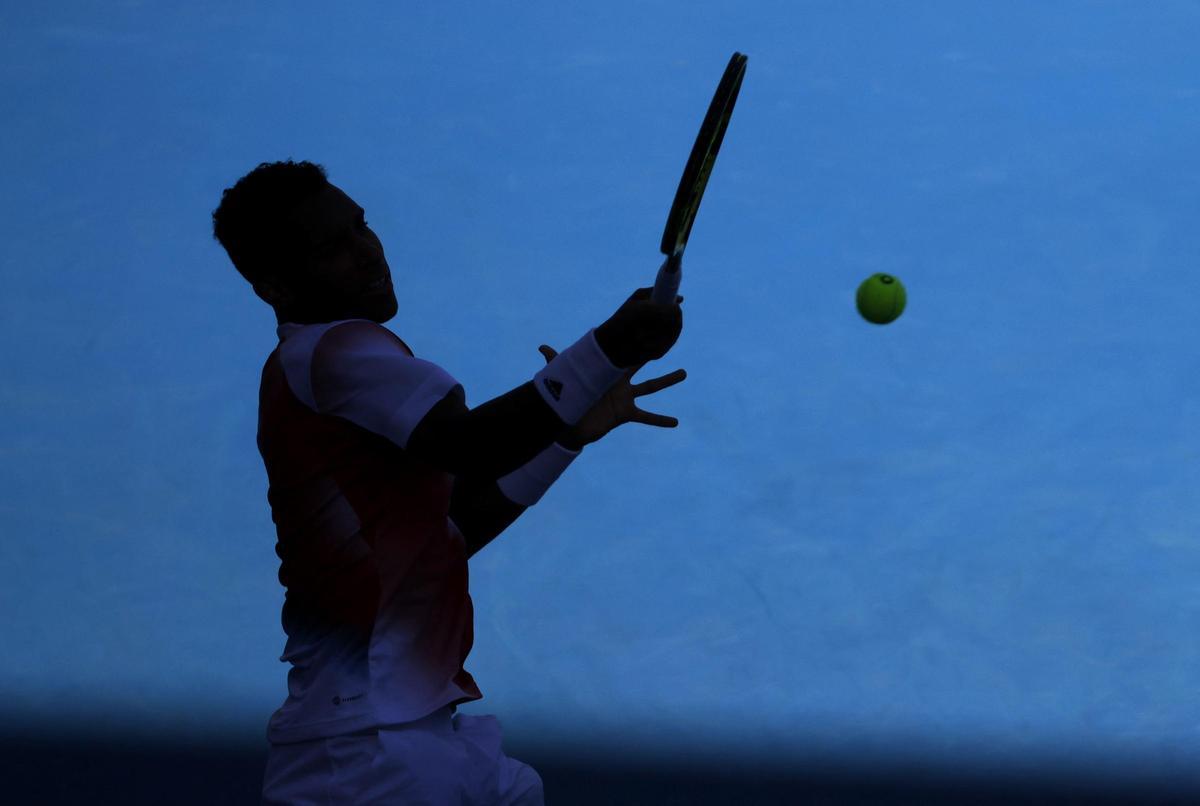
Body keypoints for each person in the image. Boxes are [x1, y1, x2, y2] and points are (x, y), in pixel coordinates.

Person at [211, 159, 687, 804]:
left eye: (361, 226)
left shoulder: (333, 381)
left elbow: (446, 531)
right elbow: (467, 444)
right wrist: (608, 349)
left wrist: (568, 434)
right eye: (331, 248)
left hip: (414, 738)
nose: (366, 253)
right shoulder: (329, 353)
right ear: (275, 286)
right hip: (365, 761)